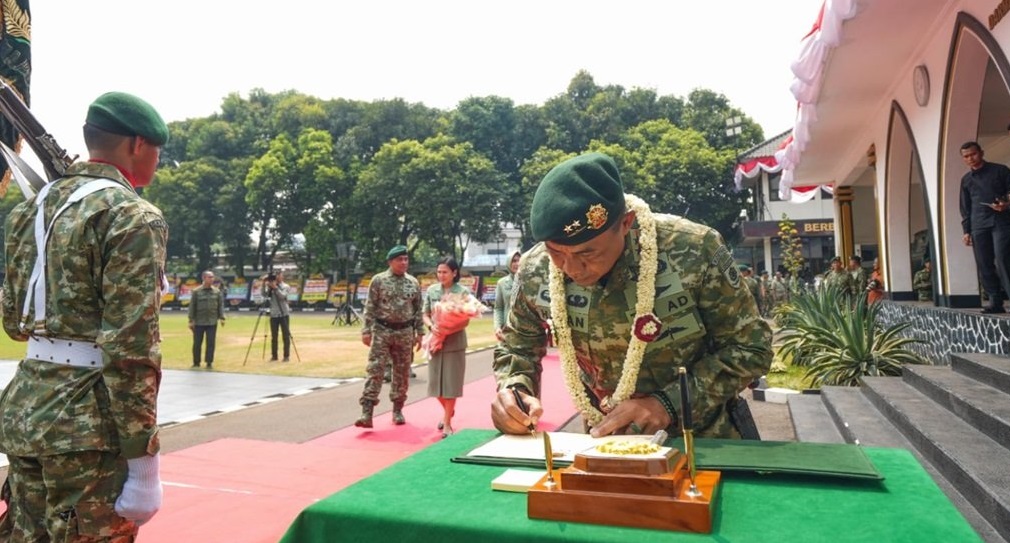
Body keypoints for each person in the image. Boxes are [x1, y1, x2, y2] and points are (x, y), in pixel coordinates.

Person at [491, 152, 772, 439]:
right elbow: (518, 346)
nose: (572, 268)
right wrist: (514, 390)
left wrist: (667, 404)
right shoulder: (535, 267)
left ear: (625, 223)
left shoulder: (693, 250)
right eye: (556, 252)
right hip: (604, 443)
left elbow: (750, 348)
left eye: (587, 252)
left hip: (702, 439)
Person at [0, 92, 169, 539]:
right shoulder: (132, 216)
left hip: (26, 411)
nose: (157, 160)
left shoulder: (28, 210)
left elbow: (15, 324)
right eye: (157, 149)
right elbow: (131, 347)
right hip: (86, 429)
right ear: (137, 145)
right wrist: (144, 463)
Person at [355, 245, 424, 428]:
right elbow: (370, 306)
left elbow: (418, 310)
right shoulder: (378, 280)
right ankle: (367, 412)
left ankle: (398, 409)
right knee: (375, 370)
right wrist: (366, 330)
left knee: (402, 374)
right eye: (399, 259)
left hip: (405, 332)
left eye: (406, 259)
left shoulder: (413, 282)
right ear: (390, 262)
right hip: (382, 331)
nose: (403, 263)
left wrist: (420, 333)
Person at [423, 257, 476, 438]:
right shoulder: (431, 291)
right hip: (436, 341)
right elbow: (425, 313)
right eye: (439, 272)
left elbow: (466, 318)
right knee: (435, 384)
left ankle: (447, 423)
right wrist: (432, 327)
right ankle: (448, 410)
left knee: (451, 384)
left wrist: (449, 327)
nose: (441, 275)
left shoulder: (462, 292)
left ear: (454, 273)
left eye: (445, 272)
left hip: (454, 342)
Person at [959, 141, 1010, 313]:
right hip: (978, 224)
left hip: (1001, 221)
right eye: (966, 156)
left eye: (973, 154)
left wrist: (1006, 203)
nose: (970, 159)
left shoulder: (1000, 170)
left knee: (1004, 258)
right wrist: (966, 231)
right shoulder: (966, 180)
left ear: (981, 152)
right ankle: (995, 301)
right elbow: (965, 207)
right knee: (984, 263)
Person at [188, 270, 226, 368]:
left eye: (213, 277)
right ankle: (196, 362)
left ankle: (209, 362)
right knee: (197, 343)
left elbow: (220, 306)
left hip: (212, 321)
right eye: (210, 277)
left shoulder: (217, 292)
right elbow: (192, 306)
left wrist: (222, 317)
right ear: (204, 278)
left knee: (211, 343)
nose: (212, 279)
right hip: (199, 321)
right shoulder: (196, 291)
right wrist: (191, 320)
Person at [261, 271, 291, 361]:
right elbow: (264, 295)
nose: (277, 277)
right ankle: (274, 356)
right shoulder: (270, 287)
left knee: (286, 335)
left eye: (279, 275)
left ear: (282, 277)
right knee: (274, 336)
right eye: (276, 276)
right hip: (273, 314)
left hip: (283, 313)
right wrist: (264, 284)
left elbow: (282, 297)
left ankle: (286, 356)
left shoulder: (285, 286)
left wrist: (275, 288)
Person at [493, 250, 523, 341]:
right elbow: (498, 308)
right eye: (514, 261)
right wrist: (497, 327)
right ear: (508, 263)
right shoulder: (501, 283)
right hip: (507, 330)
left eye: (519, 260)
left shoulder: (529, 281)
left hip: (526, 331)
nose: (517, 263)